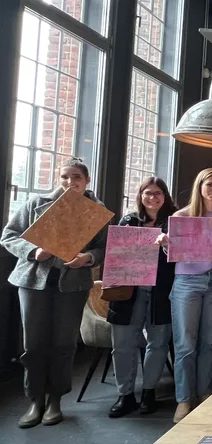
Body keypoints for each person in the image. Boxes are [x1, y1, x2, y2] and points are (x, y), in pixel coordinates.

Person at [1, 158, 108, 428]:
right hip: (33, 282)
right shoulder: (36, 203)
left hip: (72, 285)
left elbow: (104, 248)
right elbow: (9, 236)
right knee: (34, 345)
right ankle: (35, 399)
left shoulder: (96, 210)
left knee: (63, 345)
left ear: (86, 181)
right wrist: (32, 251)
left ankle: (56, 400)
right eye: (64, 177)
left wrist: (88, 258)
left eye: (76, 178)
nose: (70, 183)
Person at [160, 168, 212, 423]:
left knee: (209, 343)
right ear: (200, 187)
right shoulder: (182, 216)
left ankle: (205, 393)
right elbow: (172, 256)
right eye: (210, 185)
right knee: (185, 343)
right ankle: (184, 399)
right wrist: (165, 244)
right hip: (187, 281)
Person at [107, 177, 177, 418]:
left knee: (157, 344)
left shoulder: (174, 222)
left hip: (162, 292)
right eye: (148, 193)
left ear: (165, 196)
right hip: (128, 291)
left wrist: (168, 245)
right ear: (141, 195)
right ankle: (125, 395)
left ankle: (149, 392)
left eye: (158, 193)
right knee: (123, 345)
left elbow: (185, 257)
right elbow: (113, 256)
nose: (153, 197)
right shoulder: (128, 220)